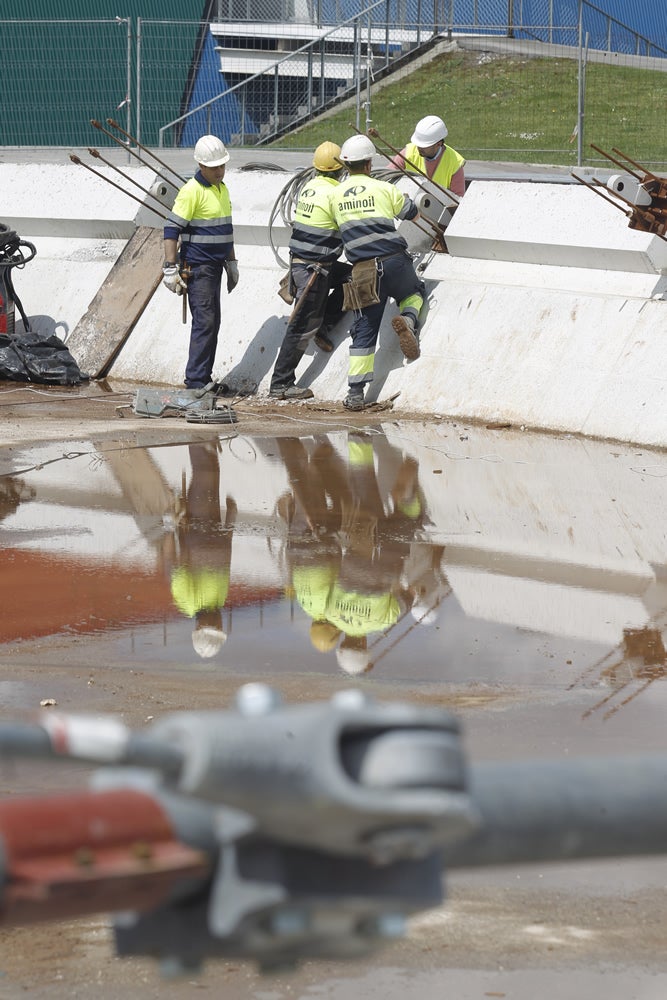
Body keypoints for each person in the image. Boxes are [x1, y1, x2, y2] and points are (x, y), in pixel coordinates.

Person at [331, 133, 425, 411]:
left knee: (365, 327)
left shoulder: (335, 196)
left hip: (364, 271)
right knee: (414, 292)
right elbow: (412, 213)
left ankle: (356, 392)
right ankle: (408, 319)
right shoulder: (384, 189)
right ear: (370, 164)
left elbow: (333, 230)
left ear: (346, 165)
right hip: (395, 261)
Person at [269, 141, 351, 401]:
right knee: (300, 326)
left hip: (302, 265)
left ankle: (324, 325)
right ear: (340, 169)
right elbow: (349, 226)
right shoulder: (337, 193)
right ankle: (280, 384)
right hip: (315, 270)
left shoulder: (309, 187)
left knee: (351, 277)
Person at [162, 135, 239, 390]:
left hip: (215, 267)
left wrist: (231, 261)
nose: (220, 171)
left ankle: (203, 379)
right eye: (215, 167)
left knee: (212, 322)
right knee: (205, 323)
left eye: (222, 166)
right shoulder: (191, 192)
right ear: (201, 166)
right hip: (198, 269)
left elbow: (226, 230)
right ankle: (196, 382)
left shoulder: (222, 189)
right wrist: (170, 268)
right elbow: (171, 230)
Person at [391, 115, 465, 197]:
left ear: (438, 144)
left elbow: (458, 200)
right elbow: (387, 174)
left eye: (424, 146)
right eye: (418, 144)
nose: (419, 148)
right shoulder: (409, 152)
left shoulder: (455, 162)